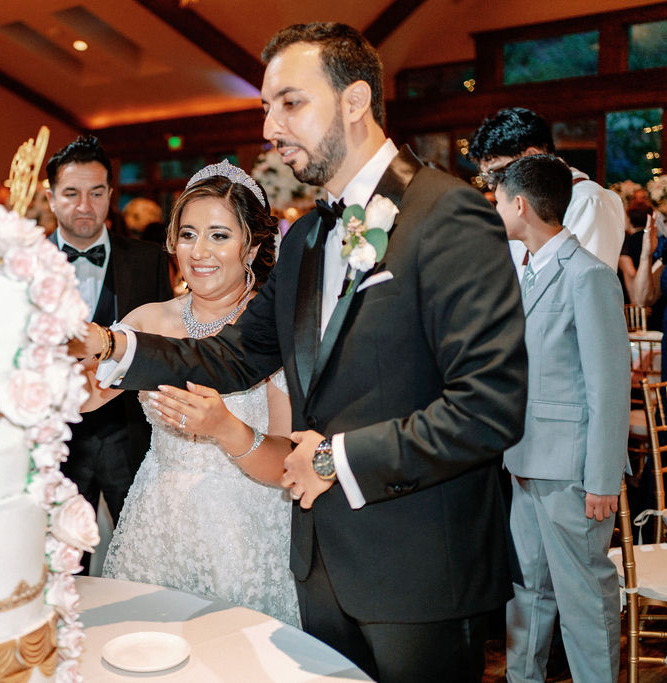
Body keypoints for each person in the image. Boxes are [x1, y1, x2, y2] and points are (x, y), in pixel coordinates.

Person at [73, 22, 527, 681]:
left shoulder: (447, 214)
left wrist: (331, 456)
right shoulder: (310, 236)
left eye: (289, 102)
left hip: (418, 567)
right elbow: (230, 355)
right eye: (265, 107)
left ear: (354, 101)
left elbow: (490, 407)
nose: (269, 127)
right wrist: (114, 345)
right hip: (316, 565)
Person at [83, 163, 299, 626]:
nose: (199, 252)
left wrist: (227, 429)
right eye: (187, 234)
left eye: (219, 235)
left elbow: (286, 465)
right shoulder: (149, 321)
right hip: (156, 527)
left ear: (253, 246)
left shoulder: (275, 332)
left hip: (246, 533)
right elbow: (84, 397)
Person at [492, 155, 628, 683]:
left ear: (520, 205)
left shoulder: (588, 276)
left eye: (500, 199)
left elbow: (609, 386)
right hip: (524, 459)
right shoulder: (525, 272)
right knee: (525, 592)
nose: (496, 207)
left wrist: (602, 479)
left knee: (584, 597)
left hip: (572, 472)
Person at [44, 135, 172, 573]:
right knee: (61, 564)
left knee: (143, 559)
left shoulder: (148, 260)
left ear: (110, 196)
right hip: (56, 442)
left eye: (96, 193)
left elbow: (163, 347)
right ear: (50, 197)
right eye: (72, 193)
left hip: (129, 434)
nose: (85, 205)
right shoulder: (24, 264)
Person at [469, 107, 626, 274]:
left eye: (497, 172)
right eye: (487, 177)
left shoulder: (587, 200)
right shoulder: (518, 202)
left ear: (531, 155)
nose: (492, 186)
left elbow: (589, 282)